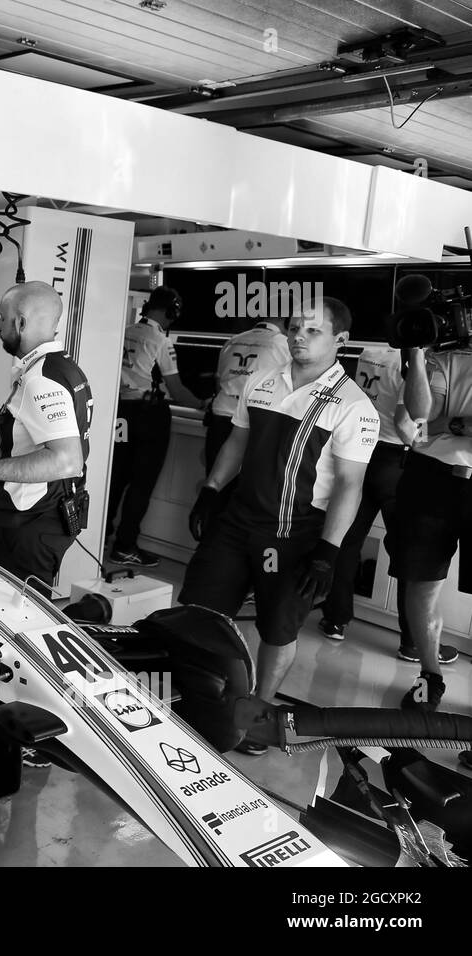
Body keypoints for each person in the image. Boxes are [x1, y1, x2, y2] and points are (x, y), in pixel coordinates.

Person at [183, 298, 376, 756]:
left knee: (277, 630)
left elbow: (350, 484)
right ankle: (196, 702)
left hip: (294, 536)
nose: (298, 336)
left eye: (312, 331)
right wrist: (210, 489)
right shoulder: (264, 380)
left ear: (340, 341)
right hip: (237, 523)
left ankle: (256, 717)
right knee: (199, 611)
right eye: (294, 327)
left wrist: (329, 550)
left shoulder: (354, 406)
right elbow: (238, 440)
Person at [319, 346, 456, 664]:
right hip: (397, 459)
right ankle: (411, 642)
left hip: (363, 451)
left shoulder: (371, 351)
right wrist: (429, 445)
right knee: (411, 553)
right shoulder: (415, 360)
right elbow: (406, 421)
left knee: (347, 540)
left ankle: (335, 620)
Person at [0, 282, 91, 599]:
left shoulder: (42, 379)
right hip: (39, 517)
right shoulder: (63, 368)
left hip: (30, 525)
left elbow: (66, 460)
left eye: (2, 317)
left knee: (8, 621)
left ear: (21, 322)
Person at [390, 334, 472, 712]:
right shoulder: (447, 355)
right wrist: (416, 356)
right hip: (431, 478)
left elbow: (439, 423)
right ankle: (429, 677)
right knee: (421, 584)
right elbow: (422, 413)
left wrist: (451, 423)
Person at [106, 287, 205, 567]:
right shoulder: (161, 341)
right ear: (170, 312)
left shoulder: (122, 330)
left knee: (117, 477)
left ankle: (102, 535)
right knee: (142, 483)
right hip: (148, 415)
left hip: (120, 413)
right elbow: (176, 389)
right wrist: (203, 403)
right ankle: (125, 546)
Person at [206, 315, 290, 511]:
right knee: (243, 497)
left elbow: (219, 381)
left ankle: (208, 536)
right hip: (252, 425)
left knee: (214, 491)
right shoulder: (284, 345)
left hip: (220, 418)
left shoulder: (233, 340)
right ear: (287, 321)